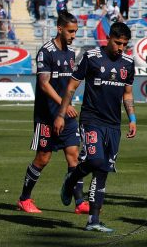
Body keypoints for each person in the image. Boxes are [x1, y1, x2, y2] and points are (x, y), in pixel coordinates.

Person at [58, 22, 136, 233]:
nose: (121, 48)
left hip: (113, 125)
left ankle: (93, 220)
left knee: (102, 170)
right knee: (95, 160)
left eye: (125, 44)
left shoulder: (128, 63)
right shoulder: (91, 57)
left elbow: (127, 93)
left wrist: (132, 118)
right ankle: (72, 179)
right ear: (109, 38)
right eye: (118, 43)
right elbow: (72, 86)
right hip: (92, 120)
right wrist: (61, 113)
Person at [16, 12, 88, 215]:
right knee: (43, 158)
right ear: (59, 29)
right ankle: (24, 199)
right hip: (46, 116)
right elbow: (44, 84)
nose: (73, 35)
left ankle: (80, 202)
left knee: (74, 157)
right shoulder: (45, 52)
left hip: (67, 115)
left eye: (75, 31)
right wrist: (64, 104)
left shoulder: (71, 53)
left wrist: (66, 108)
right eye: (70, 31)